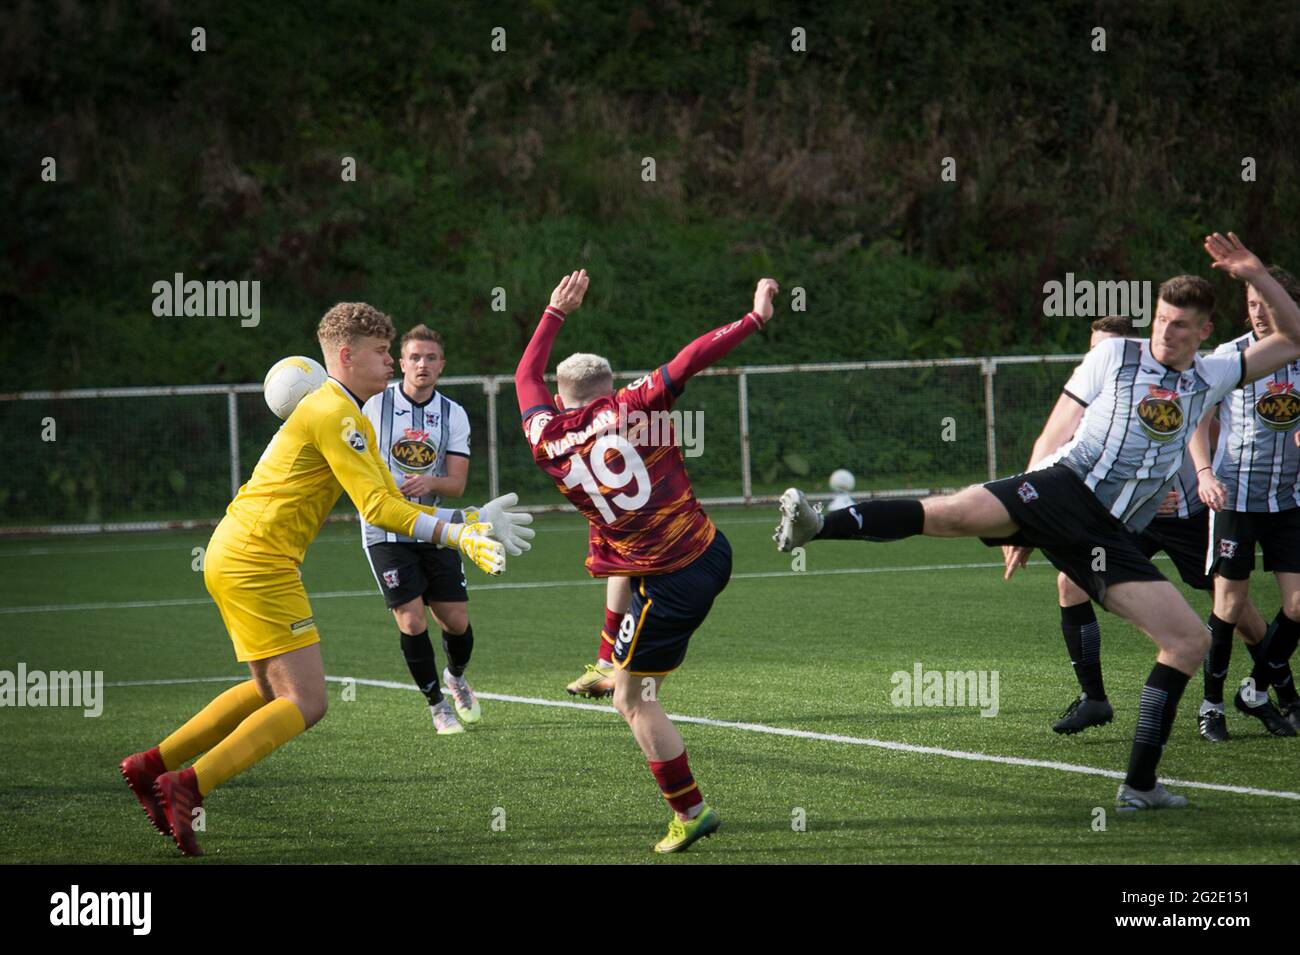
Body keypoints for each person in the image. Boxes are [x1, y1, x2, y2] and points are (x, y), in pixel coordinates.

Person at [776, 233, 1300, 810]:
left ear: (1203, 331)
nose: (1165, 332)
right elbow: (1055, 432)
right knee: (951, 512)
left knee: (1188, 640)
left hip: (1111, 532)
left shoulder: (1215, 373)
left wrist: (1254, 274)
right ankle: (818, 524)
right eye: (1160, 319)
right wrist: (1021, 522)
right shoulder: (1115, 355)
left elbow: (1293, 337)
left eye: (1180, 325)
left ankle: (1140, 786)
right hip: (1060, 488)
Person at [119, 303, 531, 856]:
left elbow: (388, 498)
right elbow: (379, 510)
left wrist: (470, 519)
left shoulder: (344, 412)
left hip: (235, 551)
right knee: (307, 703)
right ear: (346, 355)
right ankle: (187, 787)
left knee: (270, 692)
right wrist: (457, 536)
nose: (391, 362)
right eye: (382, 352)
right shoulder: (337, 413)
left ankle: (151, 766)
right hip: (259, 560)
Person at [515, 269, 778, 851]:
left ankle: (691, 812)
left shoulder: (544, 439)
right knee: (613, 553)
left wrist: (553, 312)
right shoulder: (637, 405)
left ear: (561, 401)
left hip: (670, 583)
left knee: (633, 701)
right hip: (710, 550)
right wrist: (754, 319)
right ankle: (609, 657)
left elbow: (525, 375)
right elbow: (689, 359)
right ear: (611, 390)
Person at [1023, 317, 1266, 736]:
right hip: (1126, 518)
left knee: (1235, 607)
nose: (1099, 359)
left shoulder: (1167, 387)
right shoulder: (1089, 396)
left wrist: (1185, 478)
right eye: (1093, 351)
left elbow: (1208, 433)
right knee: (1070, 583)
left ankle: (1276, 683)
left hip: (1181, 514)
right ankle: (1094, 699)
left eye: (1107, 350)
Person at [362, 324, 495, 734]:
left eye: (431, 358)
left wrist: (430, 484)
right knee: (412, 620)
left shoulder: (453, 413)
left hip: (434, 527)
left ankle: (456, 677)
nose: (423, 365)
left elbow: (455, 484)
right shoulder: (371, 407)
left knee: (455, 620)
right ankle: (438, 705)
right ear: (401, 363)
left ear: (441, 365)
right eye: (415, 357)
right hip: (384, 530)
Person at [1191, 264, 1300, 737]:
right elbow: (1197, 419)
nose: (1257, 312)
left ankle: (1254, 689)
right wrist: (1204, 473)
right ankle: (1211, 705)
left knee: (1298, 606)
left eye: (1265, 303)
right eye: (1251, 303)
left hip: (1290, 499)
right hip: (1234, 498)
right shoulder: (1230, 356)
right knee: (1230, 605)